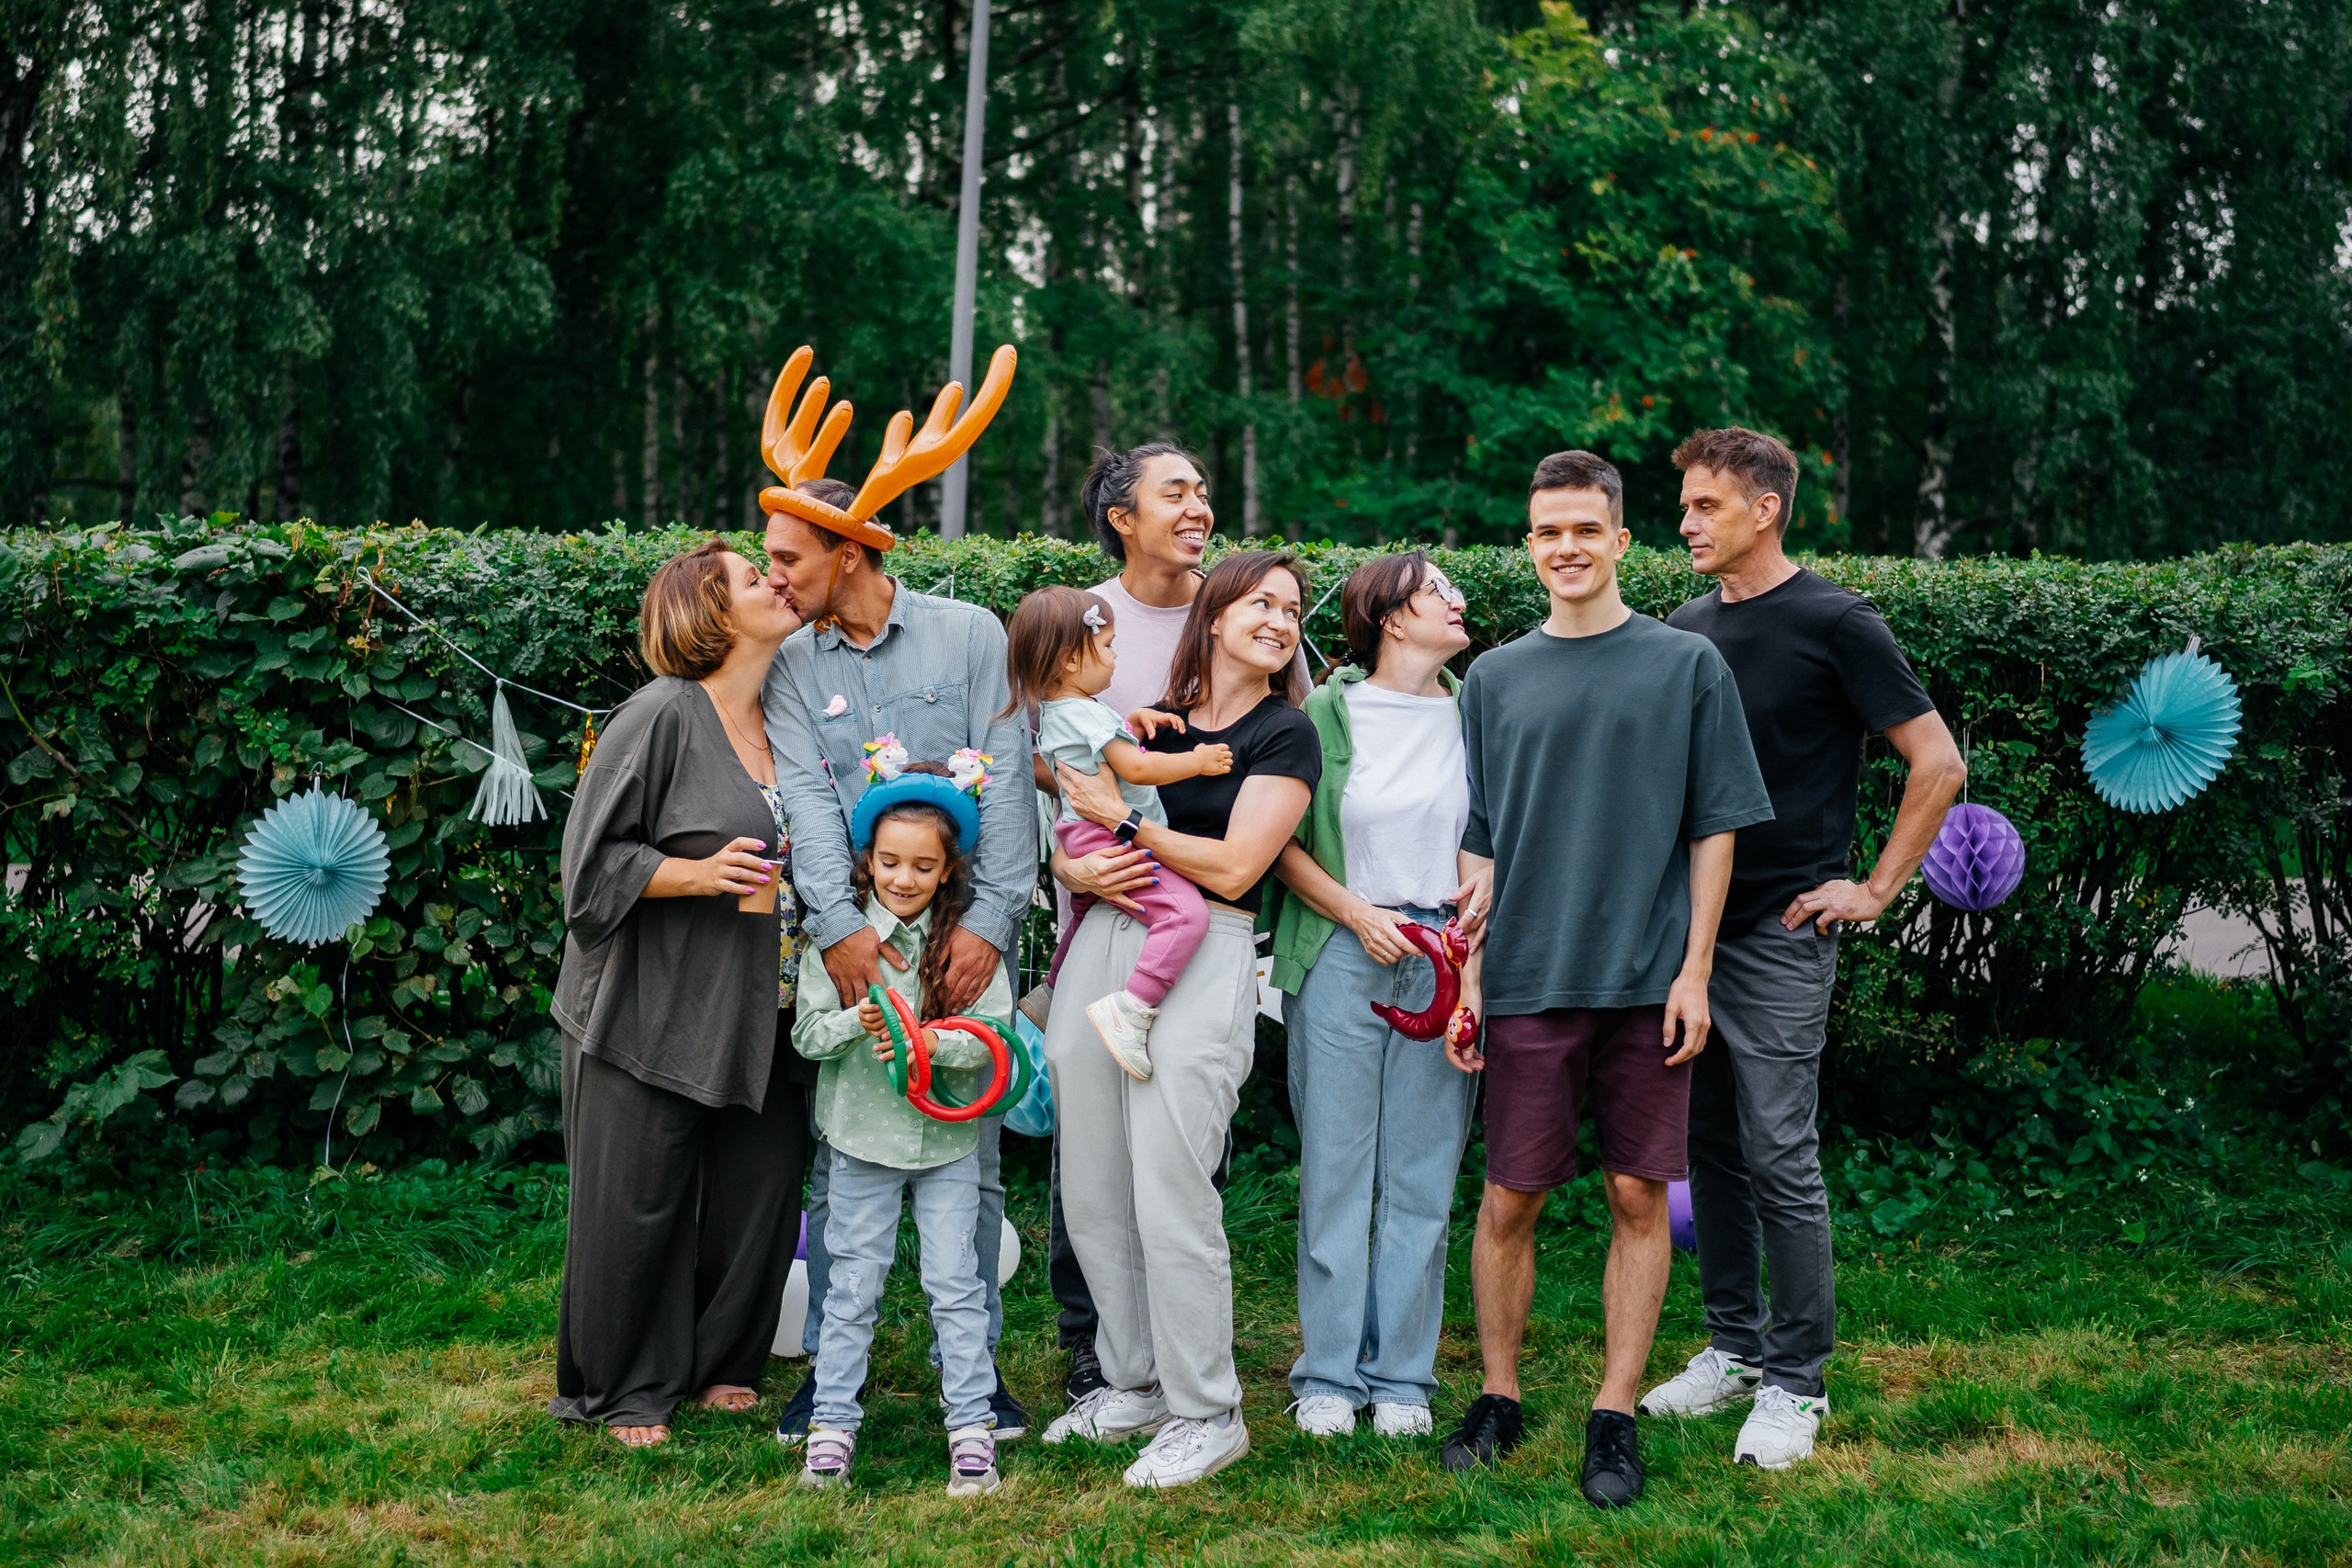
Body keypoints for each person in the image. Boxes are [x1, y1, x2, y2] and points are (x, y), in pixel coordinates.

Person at [1442, 451, 1772, 1510]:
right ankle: (1500, 1396)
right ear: (1529, 545)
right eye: (1548, 532)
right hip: (1530, 974)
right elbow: (1481, 847)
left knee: (1638, 1193)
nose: (1567, 548)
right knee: (1509, 1198)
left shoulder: (1684, 667)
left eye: (1587, 529)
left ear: (1621, 540)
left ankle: (1614, 1411)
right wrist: (1470, 981)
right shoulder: (1492, 679)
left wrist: (1696, 972)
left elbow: (1715, 827)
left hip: (1645, 978)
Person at [1642, 427, 1963, 1468]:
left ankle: (1795, 1381)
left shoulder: (1836, 621)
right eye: (1683, 506)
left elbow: (1937, 762)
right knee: (1710, 1152)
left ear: (1764, 509)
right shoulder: (1685, 626)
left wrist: (1872, 887)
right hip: (1687, 936)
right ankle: (1732, 1348)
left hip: (1781, 935)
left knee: (1779, 1155)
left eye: (1704, 506)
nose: (1684, 522)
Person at [762, 476, 1035, 1443]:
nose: (773, 575)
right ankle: (834, 1379)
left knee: (973, 1143)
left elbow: (1002, 789)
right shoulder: (791, 663)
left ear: (848, 552)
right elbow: (805, 795)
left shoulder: (971, 636)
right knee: (846, 1158)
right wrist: (838, 928)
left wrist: (989, 925)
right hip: (860, 939)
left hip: (964, 937)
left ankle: (980, 1376)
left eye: (787, 557)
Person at [1042, 550, 1321, 1489]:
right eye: (1261, 602)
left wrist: (1123, 830)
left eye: (1291, 610)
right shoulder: (1149, 717)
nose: (1280, 620)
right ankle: (1132, 1383)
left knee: (1170, 1184)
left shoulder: (1286, 735)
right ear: (1214, 612)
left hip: (1203, 952)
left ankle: (1209, 1410)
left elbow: (1238, 867)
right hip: (1100, 939)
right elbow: (1075, 805)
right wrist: (1078, 864)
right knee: (1090, 1186)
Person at [547, 539, 812, 1447]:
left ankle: (722, 1362)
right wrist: (690, 875)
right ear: (708, 614)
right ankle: (622, 1386)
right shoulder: (660, 714)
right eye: (751, 577)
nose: (776, 579)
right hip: (648, 1008)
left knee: (762, 1189)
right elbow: (587, 874)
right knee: (637, 1199)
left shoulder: (791, 718)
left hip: (769, 1012)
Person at [1268, 550, 1490, 1439]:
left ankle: (1402, 1378)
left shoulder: (1482, 709)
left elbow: (1504, 828)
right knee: (1335, 1170)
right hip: (1342, 951)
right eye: (1442, 590)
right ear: (1394, 616)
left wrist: (1478, 938)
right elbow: (1275, 842)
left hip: (1450, 954)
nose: (1460, 600)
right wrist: (1358, 915)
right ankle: (1326, 1374)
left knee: (1423, 1173)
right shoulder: (1324, 710)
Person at [792, 759, 1017, 1495]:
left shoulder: (969, 952)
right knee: (853, 1283)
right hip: (862, 1137)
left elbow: (995, 1039)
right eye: (890, 861)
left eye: (923, 865)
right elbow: (807, 1036)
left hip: (947, 1143)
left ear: (948, 870)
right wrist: (857, 1023)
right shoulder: (846, 947)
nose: (904, 877)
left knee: (956, 1283)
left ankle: (971, 1428)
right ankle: (831, 1425)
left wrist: (928, 1042)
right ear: (869, 860)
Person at [1008, 583, 1230, 1079]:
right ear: (1069, 658)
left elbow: (1096, 744)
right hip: (1111, 839)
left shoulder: (1065, 709)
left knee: (1084, 914)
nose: (1114, 657)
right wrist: (1197, 761)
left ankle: (1052, 991)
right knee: (1185, 915)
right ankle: (1132, 1008)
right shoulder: (1085, 712)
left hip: (1080, 836)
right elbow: (1135, 769)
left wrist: (1129, 721)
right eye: (1106, 645)